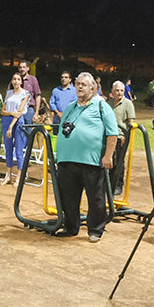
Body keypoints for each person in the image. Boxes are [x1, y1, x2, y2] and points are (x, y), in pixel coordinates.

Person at [51, 72, 120, 241]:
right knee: (68, 197)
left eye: (84, 84)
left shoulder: (101, 105)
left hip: (91, 161)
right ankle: (71, 227)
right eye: (78, 84)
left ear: (92, 88)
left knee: (95, 198)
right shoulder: (70, 107)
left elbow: (113, 133)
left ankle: (95, 230)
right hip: (67, 160)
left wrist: (108, 156)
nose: (80, 86)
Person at [107, 80, 137, 198]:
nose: (119, 93)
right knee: (108, 160)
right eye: (117, 90)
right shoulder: (108, 103)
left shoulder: (128, 103)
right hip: (108, 136)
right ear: (112, 91)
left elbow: (131, 121)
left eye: (121, 90)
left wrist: (126, 136)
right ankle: (108, 184)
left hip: (120, 136)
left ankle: (118, 185)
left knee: (119, 162)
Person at [1, 72, 32, 184]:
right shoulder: (8, 93)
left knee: (19, 150)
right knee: (8, 149)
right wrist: (10, 113)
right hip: (6, 120)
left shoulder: (25, 94)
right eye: (14, 79)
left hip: (18, 122)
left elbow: (19, 112)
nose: (16, 81)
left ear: (21, 81)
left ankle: (19, 176)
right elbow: (2, 111)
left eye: (18, 79)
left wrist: (11, 126)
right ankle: (8, 175)